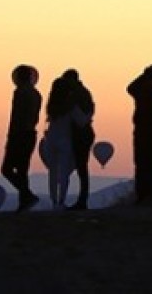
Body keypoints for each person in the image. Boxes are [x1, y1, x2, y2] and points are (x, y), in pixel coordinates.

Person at [43, 75, 89, 209]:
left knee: (52, 172)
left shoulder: (51, 107)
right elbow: (81, 121)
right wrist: (89, 115)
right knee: (64, 173)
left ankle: (53, 201)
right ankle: (61, 201)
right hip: (65, 141)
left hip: (50, 140)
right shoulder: (70, 106)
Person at [0, 65, 42, 211]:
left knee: (7, 169)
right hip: (30, 133)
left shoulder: (20, 93)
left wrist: (11, 135)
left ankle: (27, 196)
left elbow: (16, 116)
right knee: (22, 169)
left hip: (19, 134)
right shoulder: (36, 94)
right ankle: (25, 200)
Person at [126, 64, 152, 206]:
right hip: (147, 132)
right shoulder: (146, 92)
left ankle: (150, 194)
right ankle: (146, 194)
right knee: (145, 163)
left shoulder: (149, 92)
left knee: (149, 163)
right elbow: (130, 87)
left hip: (151, 133)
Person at [63, 69, 96, 210]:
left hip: (81, 134)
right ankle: (82, 199)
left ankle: (82, 200)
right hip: (84, 132)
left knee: (81, 167)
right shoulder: (84, 92)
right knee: (82, 167)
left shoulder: (76, 95)